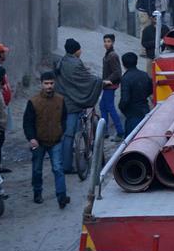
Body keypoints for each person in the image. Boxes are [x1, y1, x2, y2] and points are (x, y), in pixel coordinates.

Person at [54, 38, 102, 175]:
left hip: (60, 102)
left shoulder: (61, 61)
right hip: (71, 104)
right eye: (80, 49)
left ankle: (62, 162)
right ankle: (66, 166)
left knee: (64, 134)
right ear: (76, 50)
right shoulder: (75, 64)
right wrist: (99, 81)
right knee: (69, 135)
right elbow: (85, 80)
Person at [23, 71, 69, 208]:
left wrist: (61, 132)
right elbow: (28, 122)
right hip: (39, 141)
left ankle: (61, 196)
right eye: (46, 83)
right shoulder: (33, 102)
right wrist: (31, 138)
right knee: (37, 169)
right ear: (41, 84)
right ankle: (37, 193)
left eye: (51, 83)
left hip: (55, 140)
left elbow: (64, 118)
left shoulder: (60, 100)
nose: (49, 86)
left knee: (58, 168)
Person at [119, 52, 153, 138]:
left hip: (132, 114)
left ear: (123, 64)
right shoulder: (144, 75)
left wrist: (121, 107)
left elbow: (125, 99)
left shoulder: (125, 78)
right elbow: (150, 90)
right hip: (145, 109)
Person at [100, 34, 124, 142]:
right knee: (103, 106)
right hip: (107, 86)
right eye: (105, 41)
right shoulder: (108, 54)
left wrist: (108, 80)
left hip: (110, 86)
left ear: (113, 42)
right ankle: (104, 131)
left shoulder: (112, 55)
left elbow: (117, 72)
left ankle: (120, 131)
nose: (106, 43)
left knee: (110, 108)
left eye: (108, 41)